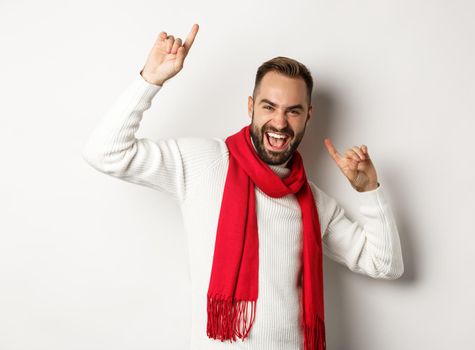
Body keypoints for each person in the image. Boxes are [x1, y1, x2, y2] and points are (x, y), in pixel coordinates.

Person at [81, 23, 404, 350]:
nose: (279, 123)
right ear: (250, 106)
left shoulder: (314, 203)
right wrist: (149, 80)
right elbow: (105, 153)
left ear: (308, 115)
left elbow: (385, 264)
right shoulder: (204, 163)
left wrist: (370, 191)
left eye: (292, 111)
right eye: (269, 107)